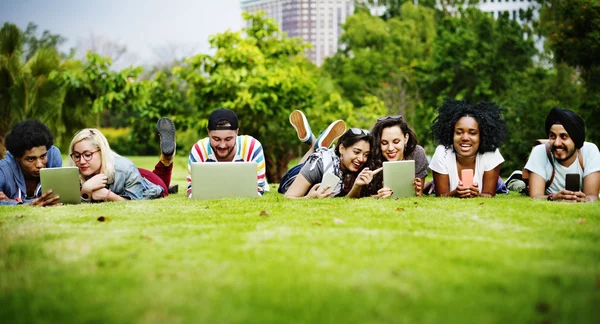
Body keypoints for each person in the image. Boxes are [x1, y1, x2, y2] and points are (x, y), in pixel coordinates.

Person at [68, 118, 176, 202]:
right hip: (128, 173)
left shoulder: (125, 169)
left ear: (102, 152)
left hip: (139, 177)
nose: (81, 161)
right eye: (77, 156)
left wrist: (108, 195)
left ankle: (167, 157)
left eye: (87, 155)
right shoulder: (73, 172)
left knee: (162, 187)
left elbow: (137, 202)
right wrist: (85, 190)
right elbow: (70, 202)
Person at [279, 110, 375, 198]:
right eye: (356, 152)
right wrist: (308, 198)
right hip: (293, 177)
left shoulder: (363, 168)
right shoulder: (319, 165)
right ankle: (314, 146)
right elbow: (289, 196)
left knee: (312, 160)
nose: (362, 158)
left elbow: (349, 197)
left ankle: (315, 146)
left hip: (317, 163)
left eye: (366, 154)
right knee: (303, 169)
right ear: (342, 149)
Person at [428, 99, 508, 198]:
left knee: (500, 186)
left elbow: (489, 195)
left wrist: (477, 194)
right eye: (459, 132)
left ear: (481, 136)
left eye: (472, 133)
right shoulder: (442, 152)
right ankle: (431, 183)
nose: (465, 138)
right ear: (451, 134)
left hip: (495, 182)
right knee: (433, 187)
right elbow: (441, 195)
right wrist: (455, 193)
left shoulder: (491, 153)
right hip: (446, 179)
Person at [523, 107, 600, 202]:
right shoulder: (539, 151)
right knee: (518, 184)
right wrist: (553, 197)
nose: (557, 143)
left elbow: (592, 196)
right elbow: (535, 196)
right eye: (552, 136)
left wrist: (585, 200)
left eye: (563, 137)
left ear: (576, 139)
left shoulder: (589, 151)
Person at [187, 108, 267, 197]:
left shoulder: (252, 147)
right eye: (216, 139)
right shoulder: (199, 150)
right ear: (208, 132)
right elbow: (191, 189)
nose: (222, 145)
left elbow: (259, 187)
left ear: (237, 132)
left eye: (228, 139)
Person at [0, 120, 62, 206]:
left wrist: (13, 201)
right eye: (31, 159)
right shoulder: (4, 168)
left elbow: (59, 196)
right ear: (17, 157)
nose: (39, 165)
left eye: (43, 156)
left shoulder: (53, 155)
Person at [364, 115, 429, 198]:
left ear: (406, 138)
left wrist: (418, 191)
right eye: (384, 143)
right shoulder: (372, 155)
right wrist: (378, 196)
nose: (390, 148)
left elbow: (418, 194)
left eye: (396, 142)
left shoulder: (417, 153)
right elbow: (362, 195)